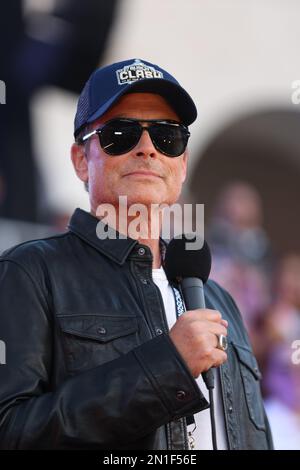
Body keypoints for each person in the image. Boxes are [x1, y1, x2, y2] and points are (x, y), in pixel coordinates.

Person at [0, 59, 273, 450]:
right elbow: (10, 432)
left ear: (182, 165)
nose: (147, 149)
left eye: (168, 137)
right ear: (81, 160)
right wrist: (166, 368)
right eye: (120, 133)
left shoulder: (220, 300)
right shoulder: (29, 273)